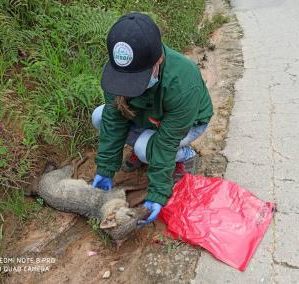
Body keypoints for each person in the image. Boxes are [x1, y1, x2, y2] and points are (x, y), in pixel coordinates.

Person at [91, 12, 213, 225]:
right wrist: (105, 168)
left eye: (135, 79)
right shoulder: (118, 69)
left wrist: (157, 194)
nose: (127, 86)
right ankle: (145, 149)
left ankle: (185, 155)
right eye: (124, 79)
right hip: (148, 117)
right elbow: (113, 121)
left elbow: (166, 141)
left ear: (158, 60)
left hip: (188, 123)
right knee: (100, 116)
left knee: (144, 147)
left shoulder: (182, 82)